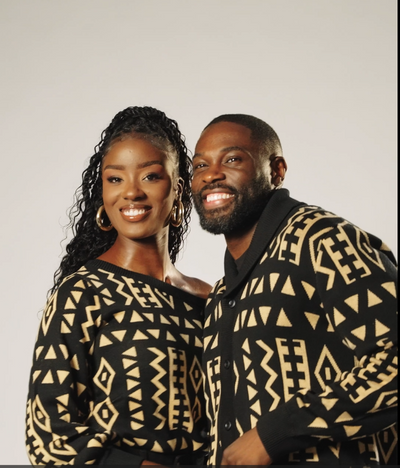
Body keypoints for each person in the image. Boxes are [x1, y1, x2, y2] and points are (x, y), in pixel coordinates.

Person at [191, 114, 398, 466]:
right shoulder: (221, 295)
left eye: (232, 159)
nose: (211, 175)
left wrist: (274, 434)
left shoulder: (322, 240)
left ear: (277, 171)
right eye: (200, 166)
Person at [25, 106, 212, 466]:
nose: (131, 193)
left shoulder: (210, 299)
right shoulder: (83, 294)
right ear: (102, 193)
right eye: (115, 179)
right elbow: (48, 437)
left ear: (177, 189)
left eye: (150, 176)